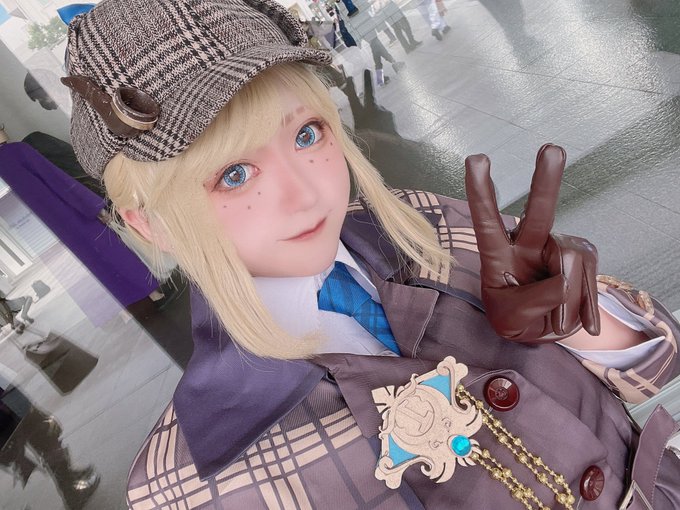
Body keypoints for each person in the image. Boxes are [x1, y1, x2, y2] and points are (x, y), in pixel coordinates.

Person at [59, 0, 679, 508]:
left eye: (307, 135)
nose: (306, 194)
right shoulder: (189, 481)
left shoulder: (427, 222)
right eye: (234, 175)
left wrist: (581, 321)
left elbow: (659, 363)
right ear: (153, 223)